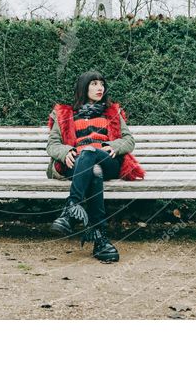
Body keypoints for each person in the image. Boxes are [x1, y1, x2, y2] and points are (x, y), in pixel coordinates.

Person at [46, 70, 145, 263]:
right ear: (83, 87)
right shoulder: (64, 114)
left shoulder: (112, 112)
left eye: (101, 84)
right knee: (93, 171)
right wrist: (65, 152)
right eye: (94, 84)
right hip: (76, 163)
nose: (100, 88)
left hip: (106, 160)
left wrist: (114, 146)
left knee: (91, 152)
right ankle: (100, 239)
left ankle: (70, 209)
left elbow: (128, 140)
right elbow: (52, 145)